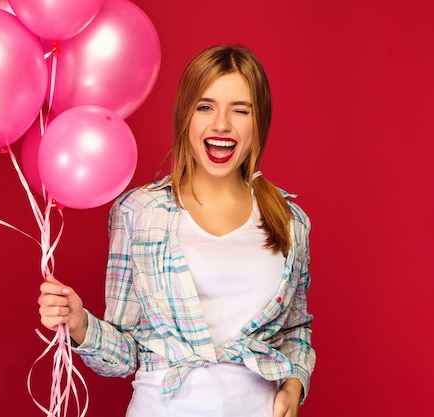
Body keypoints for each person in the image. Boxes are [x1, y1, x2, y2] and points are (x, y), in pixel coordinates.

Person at [38, 44, 315, 417]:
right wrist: (80, 323)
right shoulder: (139, 212)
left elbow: (296, 329)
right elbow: (125, 356)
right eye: (205, 107)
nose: (221, 124)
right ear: (186, 116)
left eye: (240, 110)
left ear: (259, 121)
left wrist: (294, 386)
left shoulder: (290, 220)